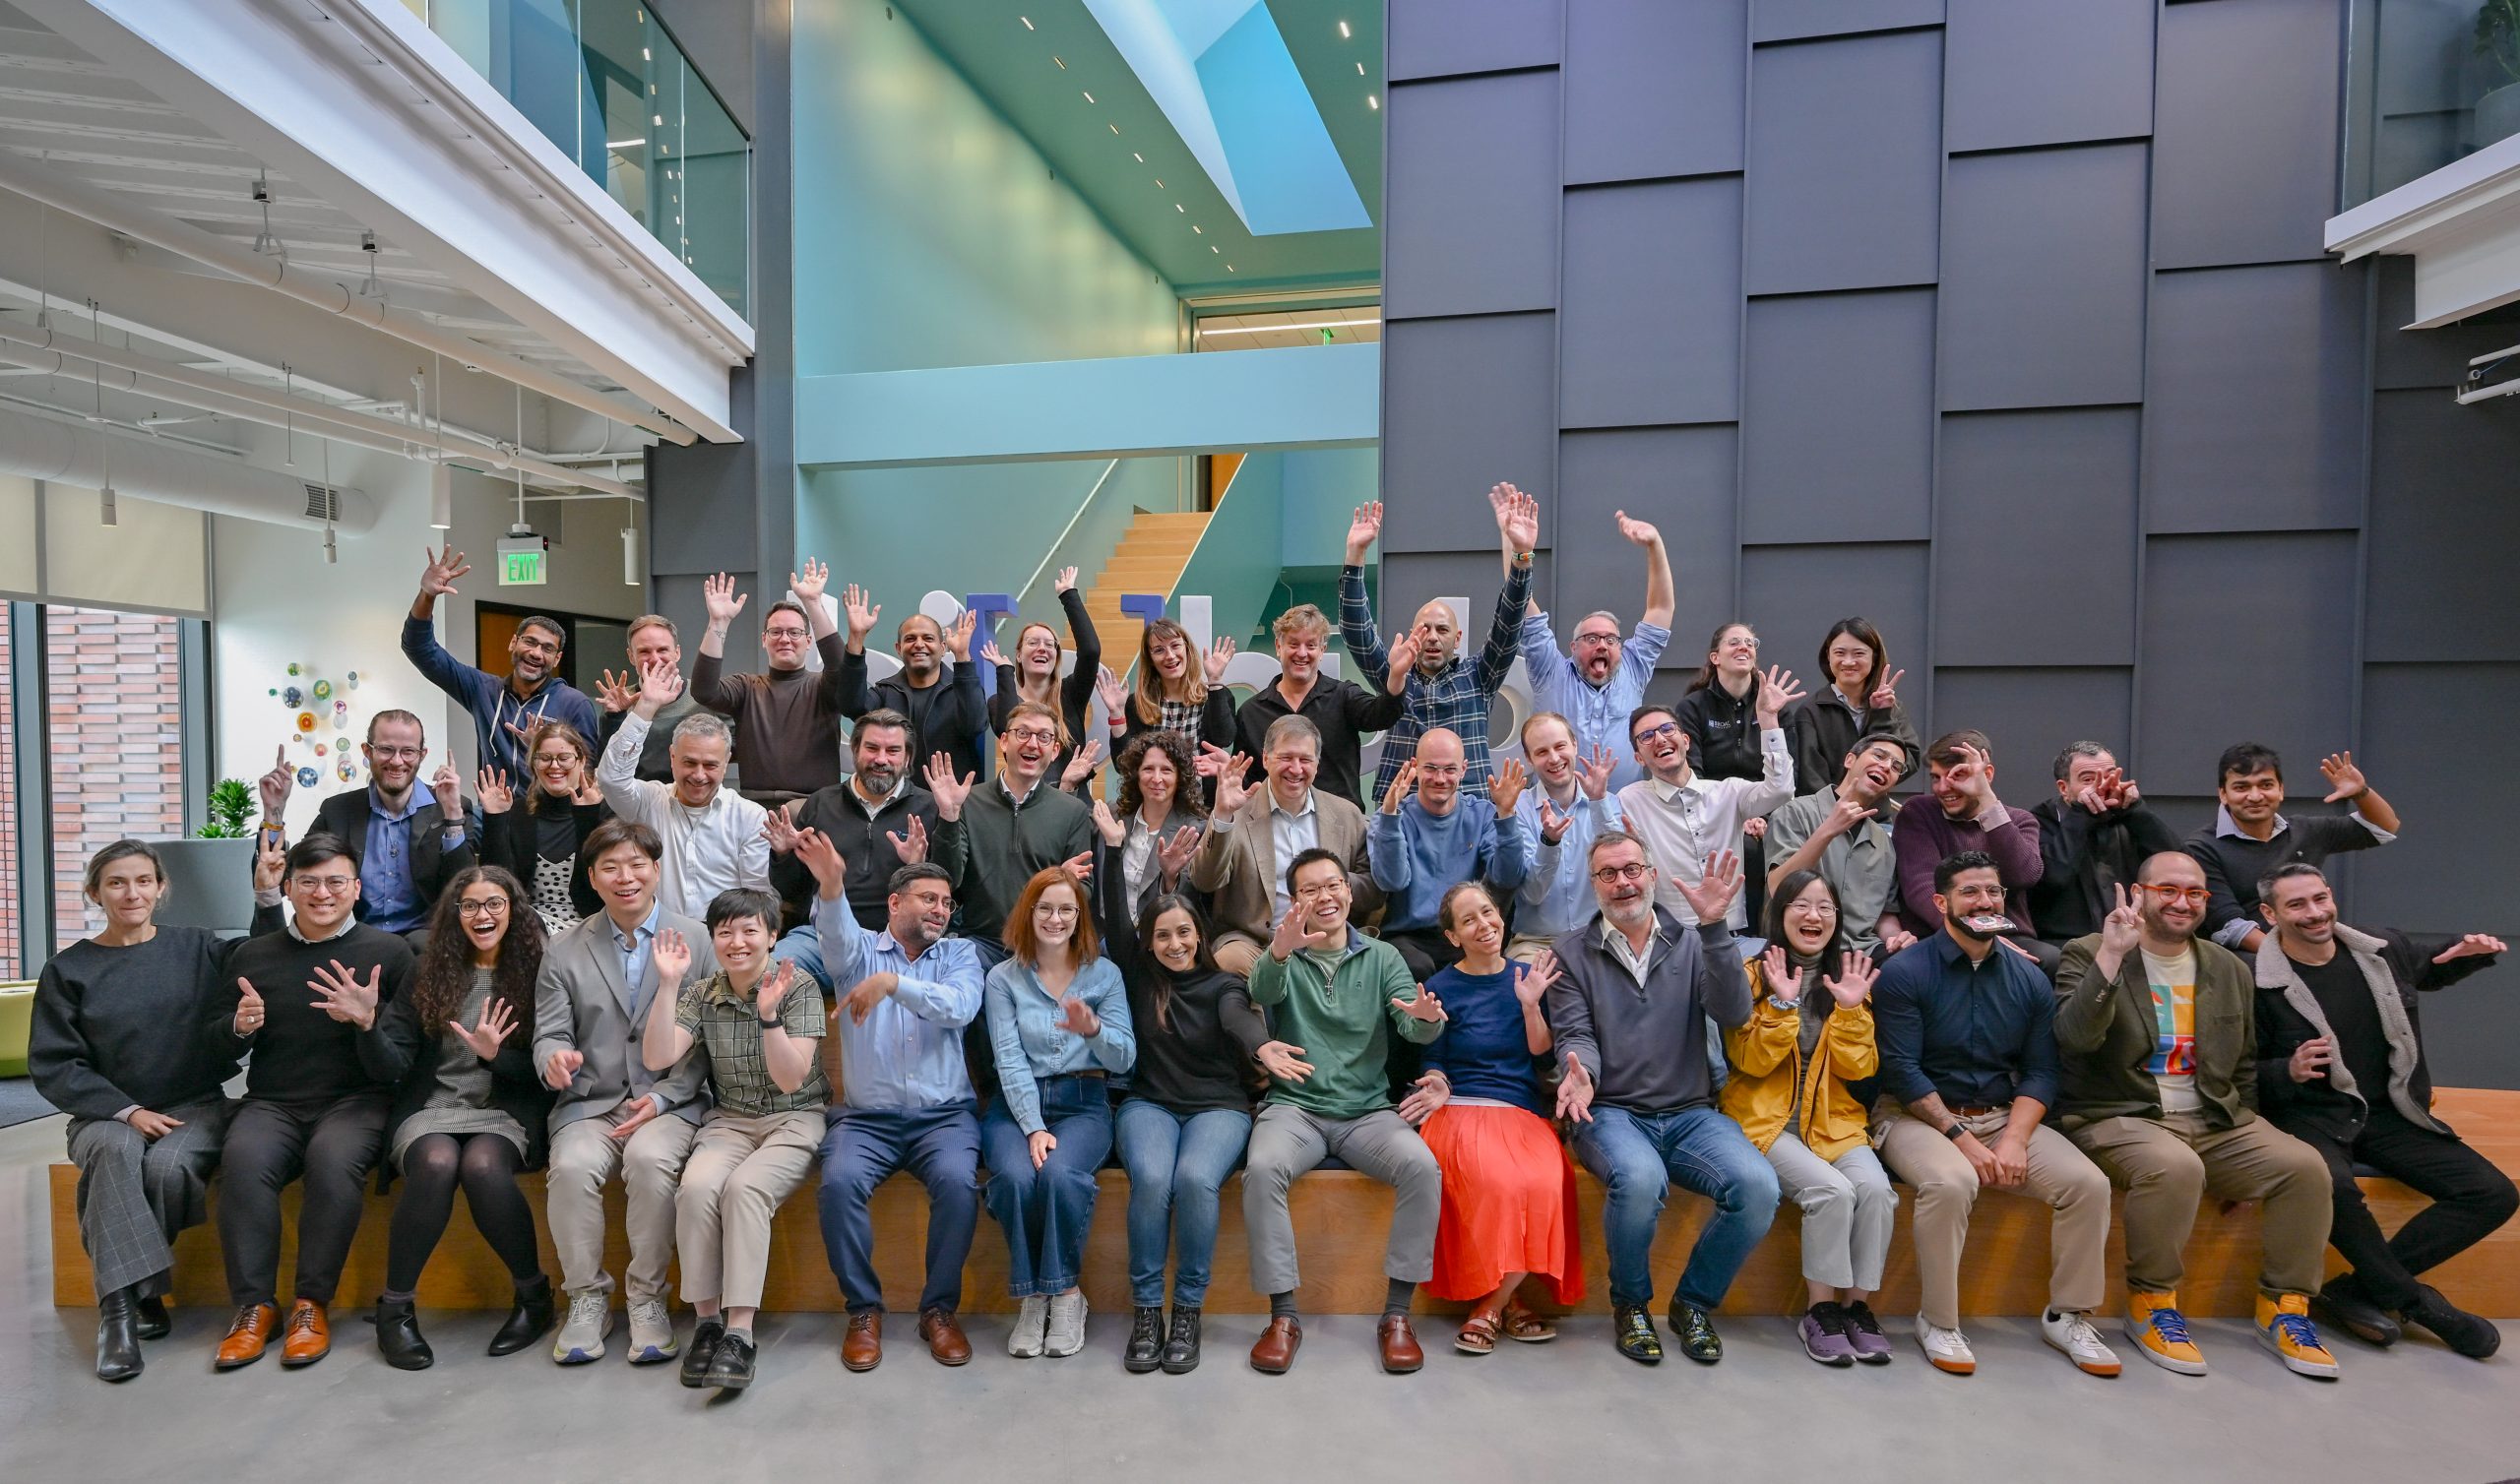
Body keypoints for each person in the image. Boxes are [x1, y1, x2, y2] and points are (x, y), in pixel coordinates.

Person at [2052, 854, 2339, 1379]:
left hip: (2215, 1118)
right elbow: (2074, 1039)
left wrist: (2247, 1144)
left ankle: (2285, 1307)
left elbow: (2243, 1064)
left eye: (2196, 894)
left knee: (2304, 1168)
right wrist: (2113, 957)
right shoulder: (2088, 951)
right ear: (2139, 893)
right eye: (2168, 890)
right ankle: (2153, 1302)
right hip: (2119, 1114)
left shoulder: (2228, 967)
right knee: (2175, 1166)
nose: (2183, 902)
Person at [2250, 862, 2513, 1359]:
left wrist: (2468, 955)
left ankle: (2358, 1290)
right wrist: (2286, 1069)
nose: (2315, 913)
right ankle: (2419, 1304)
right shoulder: (2255, 980)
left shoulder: (2378, 948)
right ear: (2270, 913)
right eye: (2297, 905)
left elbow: (2432, 965)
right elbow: (2239, 1068)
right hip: (2312, 1116)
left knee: (2492, 1193)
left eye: (2320, 898)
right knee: (2329, 1185)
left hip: (2391, 1112)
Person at [1871, 851, 2117, 1379]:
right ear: (1941, 903)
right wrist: (1963, 1138)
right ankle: (1938, 1320)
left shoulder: (2030, 979)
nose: (1986, 901)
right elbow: (1902, 1072)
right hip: (1917, 1117)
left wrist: (2013, 1139)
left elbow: (2042, 1070)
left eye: (1994, 891)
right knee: (1953, 1182)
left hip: (2002, 1115)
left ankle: (2068, 1314)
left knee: (2088, 1184)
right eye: (1970, 892)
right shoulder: (1904, 972)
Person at [1544, 831, 1774, 1365]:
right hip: (1611, 1111)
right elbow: (1575, 1035)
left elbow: (1735, 1013)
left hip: (1692, 1113)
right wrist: (1581, 1076)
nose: (1622, 883)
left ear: (1650, 873)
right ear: (1594, 885)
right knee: (1641, 1180)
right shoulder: (1570, 953)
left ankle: (1693, 1304)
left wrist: (1716, 928)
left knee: (1758, 1188)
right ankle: (1631, 1305)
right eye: (1608, 874)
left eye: (1631, 870)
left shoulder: (1695, 942)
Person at [32, 840, 251, 1382]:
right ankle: (121, 1315)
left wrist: (268, 891)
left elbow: (266, 953)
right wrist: (126, 1111)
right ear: (95, 893)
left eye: (143, 881)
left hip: (195, 1105)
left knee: (168, 1165)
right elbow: (55, 1064)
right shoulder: (68, 970)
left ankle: (142, 1289)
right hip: (104, 1114)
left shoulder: (199, 947)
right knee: (113, 1151)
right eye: (117, 883)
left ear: (160, 888)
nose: (132, 893)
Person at [212, 834, 413, 1371]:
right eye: (308, 882)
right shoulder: (252, 955)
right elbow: (212, 1045)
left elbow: (397, 1068)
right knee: (243, 1162)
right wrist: (237, 1028)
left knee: (332, 1161)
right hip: (273, 1100)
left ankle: (310, 1304)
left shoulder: (387, 955)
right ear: (288, 886)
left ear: (356, 888)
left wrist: (367, 1024)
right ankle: (253, 1307)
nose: (322, 893)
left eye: (335, 882)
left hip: (358, 1099)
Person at [1242, 848, 1447, 1375]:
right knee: (1262, 1168)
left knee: (1422, 1167)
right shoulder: (1283, 952)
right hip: (1297, 1110)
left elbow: (1412, 1023)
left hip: (1365, 1112)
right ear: (1295, 901)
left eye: (1332, 885)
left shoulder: (1382, 957)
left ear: (1349, 893)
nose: (1325, 897)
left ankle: (1397, 1315)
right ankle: (1283, 1316)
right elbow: (1260, 992)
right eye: (1310, 890)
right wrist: (1280, 953)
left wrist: (1425, 1020)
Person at [795, 836, 986, 1372]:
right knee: (837, 1185)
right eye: (929, 898)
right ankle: (863, 1310)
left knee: (956, 1184)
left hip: (944, 1118)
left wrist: (893, 983)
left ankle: (939, 1311)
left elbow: (960, 1006)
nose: (941, 910)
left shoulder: (960, 955)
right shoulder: (856, 954)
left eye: (947, 903)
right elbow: (833, 930)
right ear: (895, 903)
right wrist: (831, 881)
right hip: (866, 1121)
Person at [531, 820, 714, 1367]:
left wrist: (663, 1098)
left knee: (652, 1161)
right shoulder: (564, 948)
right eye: (610, 867)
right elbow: (550, 1032)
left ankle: (646, 1299)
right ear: (592, 877)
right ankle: (586, 1298)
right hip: (591, 1100)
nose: (625, 877)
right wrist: (553, 1061)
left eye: (637, 865)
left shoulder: (696, 938)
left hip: (669, 1099)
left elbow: (706, 1039)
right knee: (570, 1167)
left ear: (656, 871)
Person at [638, 889, 830, 1392]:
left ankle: (740, 1334)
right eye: (725, 931)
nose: (737, 941)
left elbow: (792, 1080)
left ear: (772, 936)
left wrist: (768, 1017)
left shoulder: (798, 985)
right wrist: (667, 985)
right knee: (697, 1187)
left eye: (750, 931)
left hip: (794, 1117)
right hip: (731, 1119)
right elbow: (658, 1058)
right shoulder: (703, 992)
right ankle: (708, 1324)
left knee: (744, 1189)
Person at [369, 866, 558, 1371]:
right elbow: (393, 1063)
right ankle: (395, 1309)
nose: (482, 915)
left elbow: (544, 1072)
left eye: (494, 903)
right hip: (434, 1105)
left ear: (513, 910)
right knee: (435, 1161)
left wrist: (495, 1056)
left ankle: (533, 1296)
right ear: (455, 915)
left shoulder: (540, 971)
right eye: (470, 905)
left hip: (506, 1109)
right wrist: (367, 1026)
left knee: (480, 1166)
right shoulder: (428, 969)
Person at [1722, 871, 1897, 1367]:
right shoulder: (1754, 973)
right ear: (1778, 915)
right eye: (1800, 904)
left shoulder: (1848, 978)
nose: (1813, 915)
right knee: (1832, 1192)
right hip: (1765, 1121)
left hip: (1832, 1121)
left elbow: (1859, 1068)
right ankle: (1819, 1312)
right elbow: (1751, 1062)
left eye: (1824, 906)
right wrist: (1780, 1003)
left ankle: (1856, 1309)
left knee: (1878, 1193)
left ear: (1837, 918)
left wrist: (1851, 1010)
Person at [1099, 863, 1265, 1375]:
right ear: (1148, 942)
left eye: (1185, 932)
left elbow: (1240, 1022)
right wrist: (1110, 848)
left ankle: (1188, 1310)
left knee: (1194, 1180)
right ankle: (1148, 1312)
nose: (1175, 944)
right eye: (1163, 935)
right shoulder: (1135, 974)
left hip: (1217, 1107)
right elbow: (1112, 914)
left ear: (1200, 935)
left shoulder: (1222, 987)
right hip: (1149, 1103)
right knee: (1151, 1180)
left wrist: (1264, 1047)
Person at [1407, 883, 1585, 1355]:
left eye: (1488, 913)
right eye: (1469, 920)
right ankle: (1504, 1305)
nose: (1483, 925)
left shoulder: (1531, 976)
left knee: (1548, 1182)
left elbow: (1543, 1061)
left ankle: (1492, 1303)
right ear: (1452, 937)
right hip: (1461, 1107)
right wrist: (1438, 1082)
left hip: (1520, 1108)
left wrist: (1530, 1005)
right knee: (1497, 1182)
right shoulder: (1442, 986)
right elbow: (1433, 1058)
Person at [980, 868, 1136, 1359]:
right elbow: (1007, 1057)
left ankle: (1065, 1295)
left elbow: (1125, 1058)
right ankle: (1034, 1297)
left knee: (1062, 1177)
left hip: (1084, 1102)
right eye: (1045, 907)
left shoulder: (1104, 974)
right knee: (1013, 1178)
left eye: (1067, 908)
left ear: (1080, 916)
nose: (1056, 918)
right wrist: (1033, 1127)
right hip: (1016, 1105)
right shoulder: (1003, 977)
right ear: (1028, 913)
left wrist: (1093, 1031)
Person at [1342, 488, 1537, 802]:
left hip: (1468, 805)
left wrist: (1522, 556)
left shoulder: (1479, 677)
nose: (1432, 636)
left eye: (1442, 629)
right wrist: (1355, 556)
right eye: (1425, 628)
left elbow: (1509, 621)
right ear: (1413, 633)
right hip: (1403, 808)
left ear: (1456, 638)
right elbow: (1356, 632)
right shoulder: (1396, 677)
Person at [767, 708, 958, 987]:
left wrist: (915, 867)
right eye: (871, 748)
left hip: (900, 941)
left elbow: (950, 888)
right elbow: (791, 892)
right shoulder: (821, 803)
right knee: (768, 976)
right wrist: (783, 855)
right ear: (855, 751)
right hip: (822, 938)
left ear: (908, 759)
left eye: (893, 750)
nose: (881, 759)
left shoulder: (929, 807)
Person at [252, 712, 474, 938]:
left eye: (408, 751)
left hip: (427, 943)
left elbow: (467, 891)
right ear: (367, 751)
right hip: (356, 943)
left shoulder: (450, 806)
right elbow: (282, 878)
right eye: (386, 749)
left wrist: (453, 814)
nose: (397, 761)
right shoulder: (338, 810)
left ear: (422, 755)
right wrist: (273, 812)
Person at [1188, 715, 1376, 976]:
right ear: (1266, 759)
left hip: (1329, 941)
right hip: (1256, 942)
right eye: (1286, 758)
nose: (1296, 769)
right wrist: (1222, 815)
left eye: (1305, 760)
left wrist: (1331, 886)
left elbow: (1372, 889)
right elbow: (1204, 881)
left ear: (1317, 764)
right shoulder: (1238, 811)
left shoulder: (1346, 814)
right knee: (1229, 960)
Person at [403, 545, 598, 780]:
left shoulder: (574, 704)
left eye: (547, 649)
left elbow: (587, 775)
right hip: (494, 813)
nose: (536, 653)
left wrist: (541, 752)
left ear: (557, 659)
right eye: (530, 642)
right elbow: (420, 649)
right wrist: (427, 595)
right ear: (513, 643)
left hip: (549, 815)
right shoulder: (483, 690)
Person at [596, 658, 771, 920]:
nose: (699, 775)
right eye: (689, 762)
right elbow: (611, 779)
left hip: (722, 942)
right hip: (658, 940)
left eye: (710, 765)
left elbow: (755, 898)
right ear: (672, 757)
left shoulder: (750, 816)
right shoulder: (649, 801)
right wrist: (645, 707)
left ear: (726, 764)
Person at [2187, 743, 2401, 954]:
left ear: (2280, 790)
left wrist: (2361, 793)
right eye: (2241, 787)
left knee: (2389, 945)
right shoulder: (2202, 848)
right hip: (2246, 964)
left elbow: (2384, 827)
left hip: (2311, 951)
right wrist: (2295, 959)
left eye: (2265, 785)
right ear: (2223, 794)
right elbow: (2231, 926)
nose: (2255, 796)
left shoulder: (2305, 830)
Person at [1616, 687, 1796, 934]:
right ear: (1638, 758)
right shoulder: (1631, 800)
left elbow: (1781, 790)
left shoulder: (1728, 792)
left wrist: (1768, 721)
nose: (1659, 739)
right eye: (1646, 736)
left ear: (1686, 741)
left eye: (1667, 729)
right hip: (1669, 939)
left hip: (1731, 935)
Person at [1515, 507, 1672, 788]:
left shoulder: (1633, 668)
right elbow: (1521, 604)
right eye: (1592, 639)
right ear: (1573, 647)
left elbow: (1660, 608)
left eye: (1611, 639)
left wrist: (1654, 544)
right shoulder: (1549, 671)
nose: (1602, 645)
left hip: (1622, 811)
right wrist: (1518, 550)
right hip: (1559, 813)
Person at [1367, 729, 1529, 979]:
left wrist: (1506, 815)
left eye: (1450, 769)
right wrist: (1390, 817)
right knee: (1417, 967)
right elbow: (1392, 881)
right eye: (1430, 768)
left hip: (1466, 932)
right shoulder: (1391, 817)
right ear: (1415, 767)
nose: (1440, 778)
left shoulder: (1482, 814)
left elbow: (1508, 878)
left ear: (1463, 770)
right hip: (1408, 937)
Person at [688, 565, 851, 807]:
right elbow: (704, 690)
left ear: (808, 641)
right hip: (755, 809)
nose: (784, 639)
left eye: (794, 633)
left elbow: (842, 670)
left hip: (815, 808)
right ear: (764, 640)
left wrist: (812, 603)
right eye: (776, 632)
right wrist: (718, 622)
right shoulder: (747, 687)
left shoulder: (823, 687)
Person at [1891, 731, 2053, 974]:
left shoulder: (2020, 820)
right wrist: (1973, 937)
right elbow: (1921, 886)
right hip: (1939, 933)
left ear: (1986, 775)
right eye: (1936, 777)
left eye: (1958, 776)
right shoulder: (1920, 812)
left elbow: (2024, 875)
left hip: (2009, 935)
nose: (1944, 787)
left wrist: (1987, 802)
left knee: (2051, 961)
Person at [948, 701, 1096, 964]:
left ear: (1054, 750)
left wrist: (1061, 883)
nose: (1033, 743)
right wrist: (948, 817)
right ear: (1004, 741)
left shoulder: (1072, 811)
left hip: (1045, 947)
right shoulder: (967, 801)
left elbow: (1083, 891)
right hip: (981, 945)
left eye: (1044, 737)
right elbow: (950, 879)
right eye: (1023, 733)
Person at [1230, 601, 1404, 810]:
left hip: (1341, 827)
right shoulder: (1250, 712)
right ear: (1279, 647)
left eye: (1311, 645)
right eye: (1293, 644)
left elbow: (1381, 715)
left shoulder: (1344, 696)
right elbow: (1247, 778)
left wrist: (1396, 676)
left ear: (1322, 650)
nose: (1302, 653)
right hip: (1274, 828)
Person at [1764, 735, 1916, 960]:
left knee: (1915, 969)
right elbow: (1779, 888)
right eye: (1879, 755)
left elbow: (1884, 914)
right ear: (1849, 760)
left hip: (1861, 952)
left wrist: (1895, 937)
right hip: (1800, 948)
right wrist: (1828, 831)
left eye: (1896, 767)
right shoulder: (1795, 812)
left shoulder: (1884, 843)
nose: (1886, 766)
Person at [2031, 742, 2179, 946]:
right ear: (2064, 789)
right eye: (2088, 780)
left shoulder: (2131, 815)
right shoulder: (2037, 821)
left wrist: (2136, 811)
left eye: (2109, 776)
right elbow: (2053, 878)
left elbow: (2178, 867)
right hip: (2068, 943)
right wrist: (2080, 815)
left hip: (2139, 936)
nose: (2101, 787)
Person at [839, 587, 988, 785]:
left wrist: (962, 658)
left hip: (953, 802)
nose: (919, 644)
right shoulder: (885, 692)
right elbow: (851, 706)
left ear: (943, 648)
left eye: (928, 638)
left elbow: (974, 725)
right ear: (899, 649)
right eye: (910, 638)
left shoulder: (961, 689)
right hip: (896, 803)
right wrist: (856, 638)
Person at [1506, 712, 1622, 963]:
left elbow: (1620, 868)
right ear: (1529, 758)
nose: (1554, 758)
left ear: (1574, 745)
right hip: (1537, 942)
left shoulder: (1608, 802)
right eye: (1542, 752)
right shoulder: (1519, 809)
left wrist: (1598, 803)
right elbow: (1533, 894)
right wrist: (1549, 843)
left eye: (1560, 746)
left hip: (1601, 936)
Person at [477, 720, 609, 935]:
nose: (554, 766)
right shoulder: (519, 811)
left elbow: (601, 889)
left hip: (590, 928)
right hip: (529, 928)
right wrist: (496, 818)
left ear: (581, 760)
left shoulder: (602, 811)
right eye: (544, 758)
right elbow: (494, 885)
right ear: (533, 764)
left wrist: (587, 818)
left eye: (564, 758)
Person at [983, 567, 1102, 786]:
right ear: (1018, 655)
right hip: (1023, 804)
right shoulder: (999, 701)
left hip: (1073, 803)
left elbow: (1091, 651)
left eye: (1049, 645)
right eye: (1033, 643)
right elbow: (1006, 726)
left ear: (1055, 656)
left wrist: (1069, 595)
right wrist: (1004, 672)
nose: (1042, 648)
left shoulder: (1071, 694)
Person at [1785, 618, 1920, 792]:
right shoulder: (1811, 711)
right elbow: (1810, 777)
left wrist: (1882, 715)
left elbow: (1906, 763)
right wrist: (1838, 812)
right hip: (1825, 815)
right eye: (1840, 653)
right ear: (1828, 655)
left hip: (1875, 815)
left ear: (1874, 656)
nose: (1848, 662)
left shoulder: (1891, 708)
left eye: (1858, 654)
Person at [1090, 730, 1206, 924]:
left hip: (1155, 940)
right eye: (1148, 769)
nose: (1157, 778)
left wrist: (1170, 878)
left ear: (1180, 777)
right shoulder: (1112, 814)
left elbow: (1194, 904)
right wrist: (1069, 786)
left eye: (1167, 770)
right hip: (1102, 933)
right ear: (1136, 774)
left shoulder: (1194, 829)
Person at [1104, 617, 1238, 777]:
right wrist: (1116, 714)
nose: (1170, 655)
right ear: (1151, 660)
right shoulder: (1138, 704)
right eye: (1159, 650)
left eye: (1175, 646)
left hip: (1203, 799)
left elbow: (1224, 738)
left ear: (1187, 649)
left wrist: (1215, 682)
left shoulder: (1213, 696)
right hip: (1153, 798)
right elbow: (1124, 766)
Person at [594, 614, 706, 783]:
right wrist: (614, 716)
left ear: (677, 653)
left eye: (662, 650)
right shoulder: (621, 700)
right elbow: (608, 767)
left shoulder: (702, 696)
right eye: (644, 651)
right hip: (633, 804)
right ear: (631, 656)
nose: (654, 659)